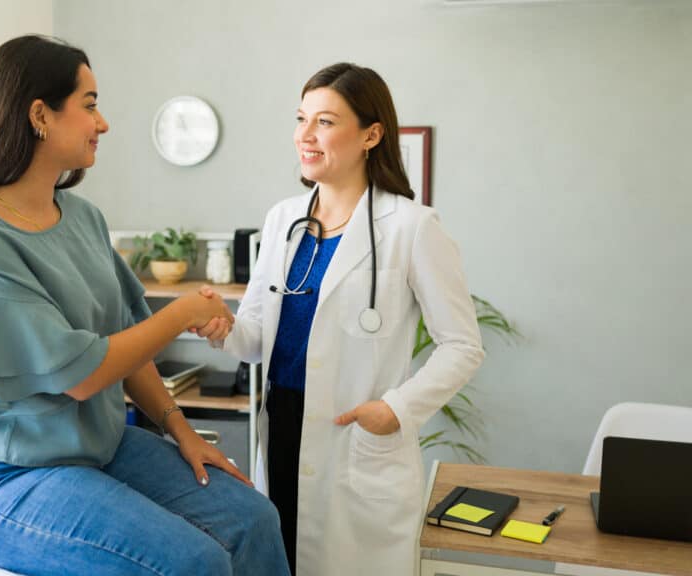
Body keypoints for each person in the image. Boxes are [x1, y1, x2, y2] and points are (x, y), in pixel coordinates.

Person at [0, 35, 289, 576]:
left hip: (98, 446)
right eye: (89, 105)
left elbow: (126, 342)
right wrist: (182, 313)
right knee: (193, 563)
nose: (103, 123)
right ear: (40, 115)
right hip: (5, 472)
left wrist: (183, 433)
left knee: (254, 518)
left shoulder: (83, 218)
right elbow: (82, 374)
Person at [197, 63, 485, 575]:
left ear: (371, 135)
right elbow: (256, 338)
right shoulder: (283, 219)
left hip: (355, 432)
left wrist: (396, 409)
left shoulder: (413, 227)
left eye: (325, 122)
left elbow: (462, 345)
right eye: (301, 118)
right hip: (283, 427)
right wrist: (222, 327)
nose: (304, 135)